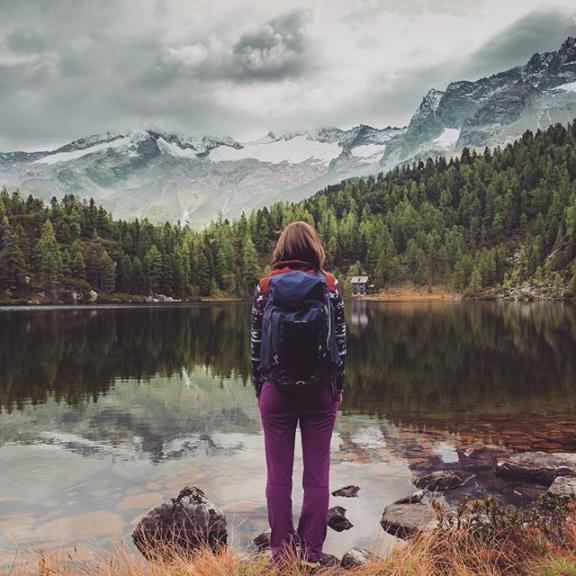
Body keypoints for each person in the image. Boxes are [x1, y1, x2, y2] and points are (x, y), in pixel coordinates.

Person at [250, 221, 347, 568]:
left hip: (276, 393)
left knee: (278, 478)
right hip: (321, 393)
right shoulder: (330, 285)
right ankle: (311, 555)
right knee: (317, 478)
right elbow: (339, 342)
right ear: (313, 248)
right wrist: (338, 387)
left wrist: (261, 389)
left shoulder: (265, 287)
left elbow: (256, 345)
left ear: (281, 251)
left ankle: (281, 555)